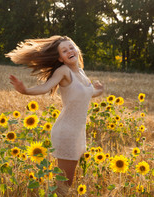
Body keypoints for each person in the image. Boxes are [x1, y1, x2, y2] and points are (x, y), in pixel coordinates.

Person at [6, 35, 104, 187]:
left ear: (77, 49)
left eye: (71, 47)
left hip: (77, 132)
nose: (69, 51)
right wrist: (25, 90)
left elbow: (89, 93)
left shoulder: (81, 73)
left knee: (67, 181)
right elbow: (45, 87)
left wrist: (99, 90)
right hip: (66, 131)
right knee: (64, 183)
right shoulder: (64, 71)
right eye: (64, 51)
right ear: (60, 59)